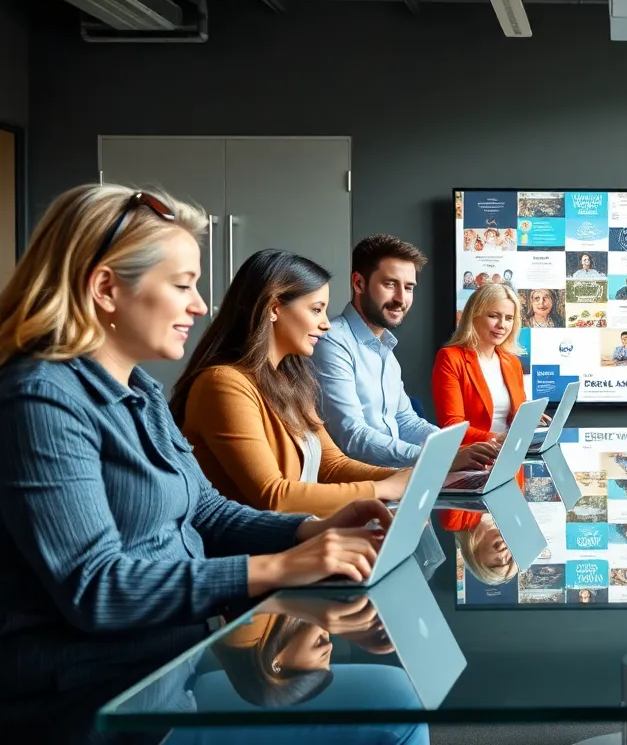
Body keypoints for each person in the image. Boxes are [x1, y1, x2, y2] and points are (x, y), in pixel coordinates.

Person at [0, 184, 392, 641]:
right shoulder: (41, 401)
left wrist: (311, 529)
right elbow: (96, 588)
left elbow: (208, 511)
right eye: (182, 285)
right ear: (106, 288)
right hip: (109, 677)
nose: (200, 305)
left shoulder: (141, 390)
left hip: (182, 650)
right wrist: (281, 566)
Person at [172, 251, 472, 517]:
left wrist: (410, 477)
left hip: (296, 536)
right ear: (274, 308)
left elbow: (332, 465)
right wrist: (385, 488)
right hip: (250, 552)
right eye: (316, 310)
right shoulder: (223, 384)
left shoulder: (291, 381)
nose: (326, 323)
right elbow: (274, 497)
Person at [311, 235, 443, 469]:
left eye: (409, 287)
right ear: (359, 283)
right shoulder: (332, 342)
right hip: (358, 483)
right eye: (390, 284)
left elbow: (406, 421)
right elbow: (351, 435)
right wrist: (434, 458)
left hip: (394, 476)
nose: (401, 299)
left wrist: (454, 448)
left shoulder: (385, 347)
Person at [432, 283, 532, 444]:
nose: (502, 325)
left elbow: (512, 414)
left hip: (510, 453)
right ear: (474, 316)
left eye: (509, 318)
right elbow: (452, 426)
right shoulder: (450, 358)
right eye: (493, 316)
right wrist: (497, 439)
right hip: (473, 456)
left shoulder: (512, 362)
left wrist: (528, 417)